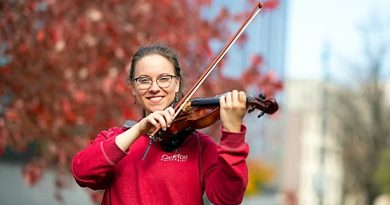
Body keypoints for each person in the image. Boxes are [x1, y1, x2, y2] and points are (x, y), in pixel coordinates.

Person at [71, 43, 249, 205]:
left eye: (164, 78)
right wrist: (139, 130)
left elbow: (228, 199)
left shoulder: (200, 147)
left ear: (177, 83)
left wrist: (233, 133)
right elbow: (82, 172)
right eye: (144, 80)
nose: (154, 87)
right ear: (133, 88)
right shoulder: (116, 139)